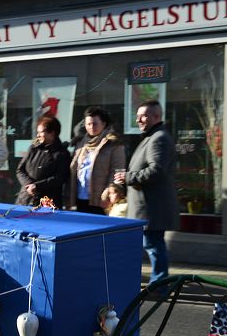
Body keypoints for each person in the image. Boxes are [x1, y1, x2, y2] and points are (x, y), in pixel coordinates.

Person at [115, 100, 178, 286]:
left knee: (154, 246)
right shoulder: (152, 137)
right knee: (151, 245)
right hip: (147, 206)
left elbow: (156, 170)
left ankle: (159, 285)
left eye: (143, 116)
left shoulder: (159, 138)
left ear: (156, 117)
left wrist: (128, 177)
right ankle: (157, 283)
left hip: (151, 206)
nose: (139, 119)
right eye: (138, 116)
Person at [68, 106, 125, 214]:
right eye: (88, 124)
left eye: (95, 124)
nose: (91, 127)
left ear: (103, 124)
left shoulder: (113, 143)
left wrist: (109, 192)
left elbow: (117, 170)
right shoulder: (81, 143)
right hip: (81, 198)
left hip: (101, 200)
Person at [15, 115, 70, 208]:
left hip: (48, 203)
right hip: (26, 199)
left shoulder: (62, 154)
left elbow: (60, 178)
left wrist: (37, 186)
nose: (38, 135)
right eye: (38, 132)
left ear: (52, 133)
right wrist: (29, 185)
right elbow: (20, 170)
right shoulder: (33, 148)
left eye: (41, 132)